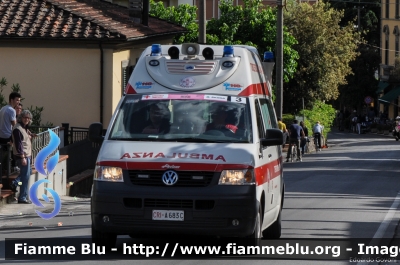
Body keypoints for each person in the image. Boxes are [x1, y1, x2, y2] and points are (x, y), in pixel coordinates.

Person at [10, 110, 34, 204]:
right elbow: (18, 144)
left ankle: (15, 183)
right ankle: (22, 197)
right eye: (25, 117)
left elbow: (25, 136)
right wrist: (22, 157)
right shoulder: (18, 129)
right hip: (22, 156)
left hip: (27, 155)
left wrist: (31, 135)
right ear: (21, 118)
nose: (26, 119)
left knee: (28, 174)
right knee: (25, 177)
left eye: (28, 118)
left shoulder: (24, 128)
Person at [0, 92, 21, 175]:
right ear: (11, 100)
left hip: (1, 135)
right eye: (17, 100)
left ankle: (5, 169)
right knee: (18, 145)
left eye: (19, 100)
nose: (18, 102)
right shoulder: (12, 110)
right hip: (8, 136)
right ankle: (15, 167)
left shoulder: (3, 108)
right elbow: (15, 125)